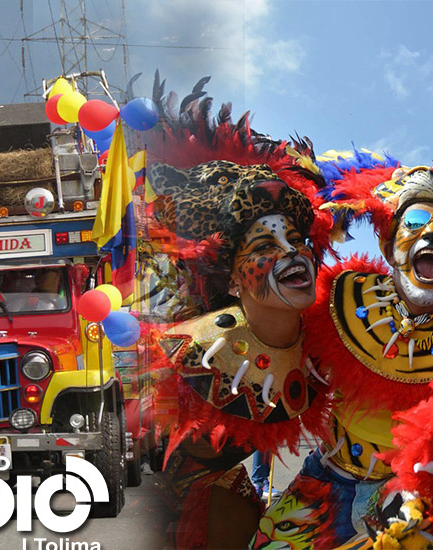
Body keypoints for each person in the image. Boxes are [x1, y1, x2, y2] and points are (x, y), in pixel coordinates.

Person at [251, 159, 433, 549]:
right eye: (415, 224)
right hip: (326, 479)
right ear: (387, 245)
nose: (432, 237)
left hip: (410, 499)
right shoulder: (342, 295)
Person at [146, 86, 331, 549]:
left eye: (295, 241)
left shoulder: (333, 336)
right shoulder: (187, 352)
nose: (292, 255)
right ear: (232, 281)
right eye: (266, 248)